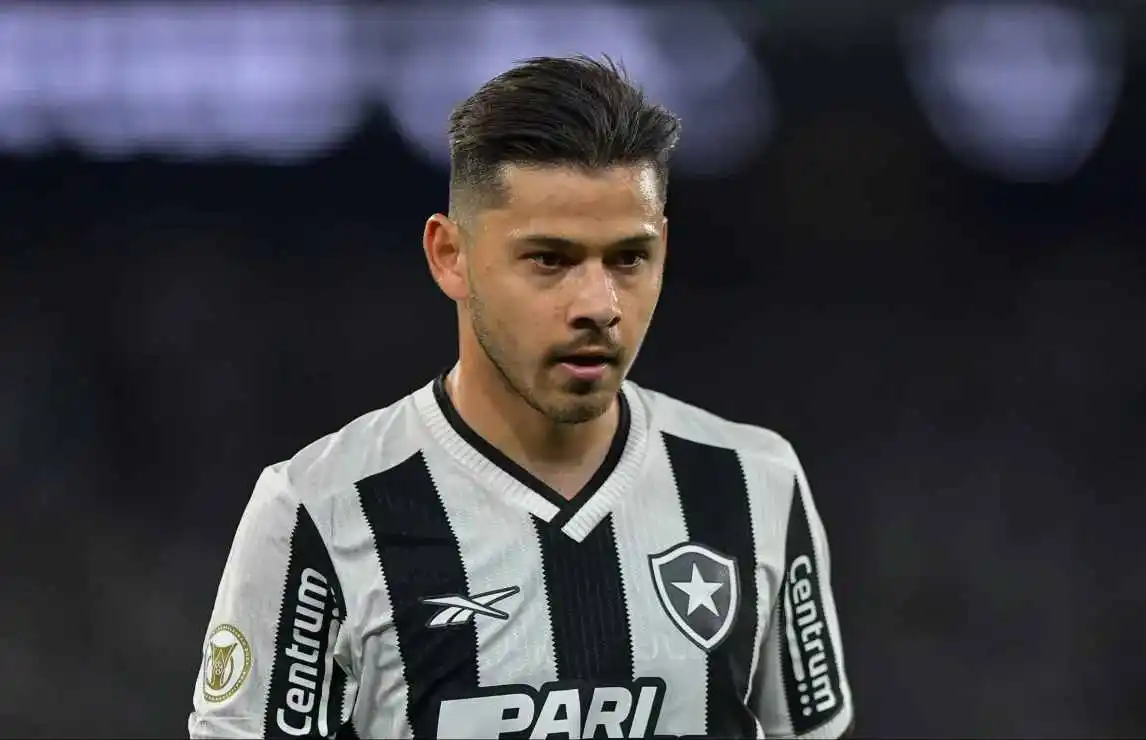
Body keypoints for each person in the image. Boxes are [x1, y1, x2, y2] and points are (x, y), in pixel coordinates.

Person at [188, 54, 854, 739]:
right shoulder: (318, 511)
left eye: (629, 258)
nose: (599, 305)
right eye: (550, 260)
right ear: (451, 256)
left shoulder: (754, 485)